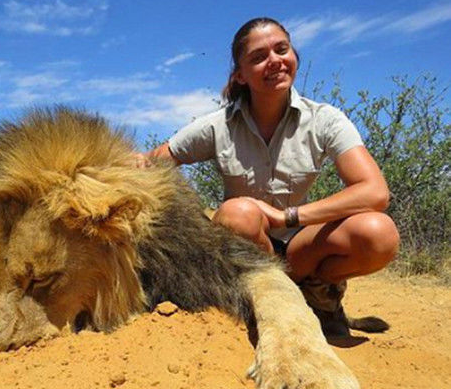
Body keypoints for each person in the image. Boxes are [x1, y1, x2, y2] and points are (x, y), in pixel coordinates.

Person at [138, 17, 400, 336]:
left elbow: (375, 192)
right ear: (240, 75)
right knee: (238, 214)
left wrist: (286, 216)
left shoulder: (326, 119)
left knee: (379, 233)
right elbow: (155, 162)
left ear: (294, 57)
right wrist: (128, 162)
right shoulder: (217, 125)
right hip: (245, 245)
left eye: (281, 49)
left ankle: (320, 295)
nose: (274, 61)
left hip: (301, 246)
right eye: (259, 57)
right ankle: (263, 298)